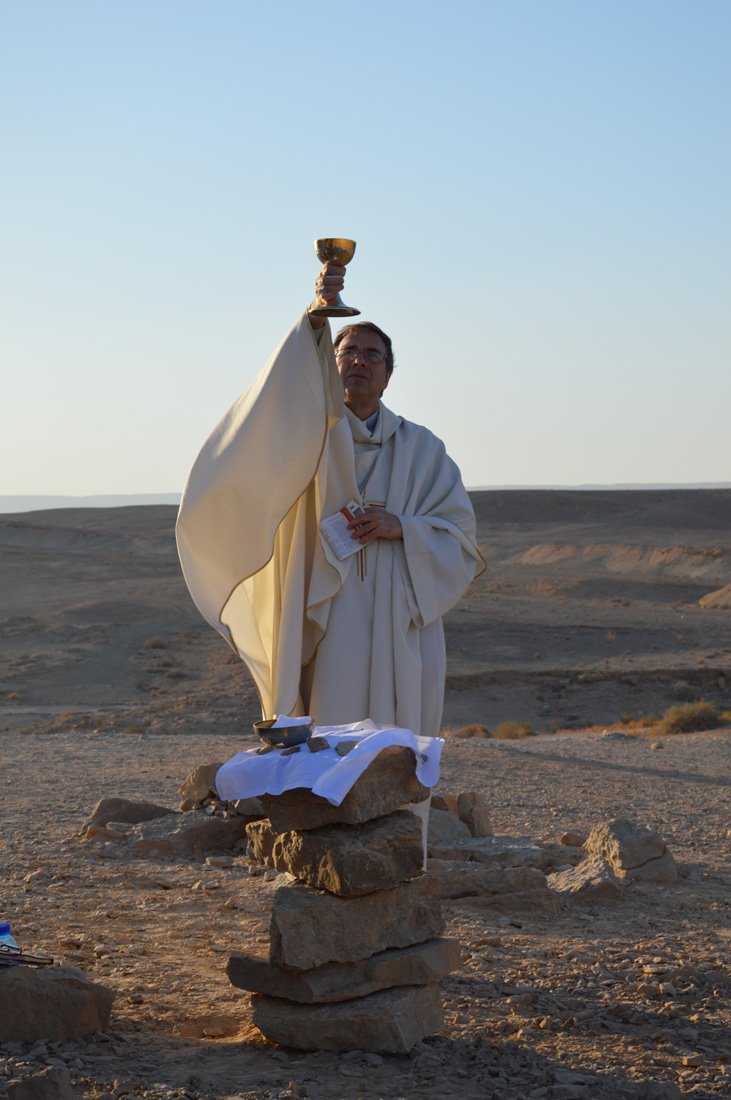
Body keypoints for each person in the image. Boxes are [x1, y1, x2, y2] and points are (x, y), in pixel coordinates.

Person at [176, 262, 484, 738]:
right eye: (348, 351)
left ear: (387, 377)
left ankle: (392, 808)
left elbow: (461, 539)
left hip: (397, 613)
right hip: (328, 607)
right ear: (331, 365)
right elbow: (270, 413)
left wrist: (401, 525)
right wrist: (316, 320)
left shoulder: (424, 450)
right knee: (328, 720)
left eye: (373, 355)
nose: (359, 360)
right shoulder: (309, 443)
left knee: (392, 737)